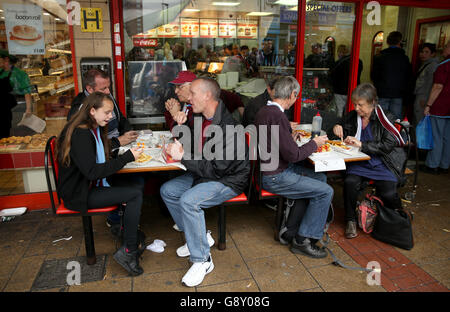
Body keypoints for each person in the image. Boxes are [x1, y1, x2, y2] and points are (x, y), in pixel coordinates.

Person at [160, 77, 250, 287]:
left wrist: (182, 156)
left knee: (189, 201)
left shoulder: (228, 127)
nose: (188, 98)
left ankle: (202, 260)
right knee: (168, 191)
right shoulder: (199, 117)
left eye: (192, 94)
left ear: (207, 95)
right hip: (206, 172)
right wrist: (179, 121)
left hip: (228, 179)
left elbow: (215, 169)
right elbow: (189, 144)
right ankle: (198, 237)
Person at [55, 92, 145, 276]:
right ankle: (129, 251)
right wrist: (127, 157)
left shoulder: (92, 127)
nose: (111, 117)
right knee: (135, 194)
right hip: (79, 193)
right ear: (92, 111)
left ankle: (125, 231)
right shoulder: (81, 133)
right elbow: (92, 171)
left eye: (111, 112)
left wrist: (119, 154)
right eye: (107, 112)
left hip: (89, 185)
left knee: (136, 185)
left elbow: (97, 158)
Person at [255, 76, 333, 258]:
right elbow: (294, 155)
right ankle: (303, 240)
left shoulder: (265, 111)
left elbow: (279, 144)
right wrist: (315, 143)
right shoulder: (278, 115)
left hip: (269, 169)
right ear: (292, 94)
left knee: (320, 178)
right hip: (275, 175)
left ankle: (292, 227)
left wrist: (290, 138)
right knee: (326, 191)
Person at [68, 69, 141, 227]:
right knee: (133, 187)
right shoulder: (82, 128)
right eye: (103, 89)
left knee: (137, 180)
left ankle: (124, 223)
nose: (108, 92)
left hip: (102, 164)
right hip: (83, 189)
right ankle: (119, 224)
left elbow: (121, 119)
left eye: (109, 87)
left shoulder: (104, 105)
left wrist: (126, 135)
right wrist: (120, 149)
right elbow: (92, 169)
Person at [332, 83, 406, 239]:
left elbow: (388, 145)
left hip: (382, 162)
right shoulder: (353, 116)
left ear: (372, 103)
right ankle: (350, 220)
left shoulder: (386, 118)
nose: (357, 108)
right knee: (350, 183)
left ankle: (398, 217)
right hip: (359, 162)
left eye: (361, 105)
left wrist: (362, 145)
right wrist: (337, 127)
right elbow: (342, 128)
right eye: (355, 104)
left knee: (389, 192)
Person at [164, 71, 244, 130]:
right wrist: (172, 115)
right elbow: (191, 141)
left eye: (180, 87)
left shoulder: (223, 125)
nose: (176, 91)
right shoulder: (194, 110)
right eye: (175, 87)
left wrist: (175, 115)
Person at [422, 40, 450, 175]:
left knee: (436, 136)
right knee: (447, 137)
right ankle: (445, 164)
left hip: (441, 106)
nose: (443, 49)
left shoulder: (444, 65)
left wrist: (428, 105)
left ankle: (432, 164)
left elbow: (438, 86)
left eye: (445, 46)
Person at [371, 31, 412, 120]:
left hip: (382, 92)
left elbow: (374, 76)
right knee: (396, 120)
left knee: (381, 119)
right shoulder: (404, 58)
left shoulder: (380, 57)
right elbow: (408, 78)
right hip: (398, 94)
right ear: (400, 42)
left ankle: (381, 134)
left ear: (387, 42)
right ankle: (393, 134)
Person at [0, 50, 33, 138]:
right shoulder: (1, 72)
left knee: (16, 135)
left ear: (6, 60)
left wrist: (28, 109)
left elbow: (27, 91)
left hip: (18, 108)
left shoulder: (20, 74)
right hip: (4, 110)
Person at [330, 44, 363, 117]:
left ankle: (339, 124)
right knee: (351, 110)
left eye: (339, 52)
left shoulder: (338, 63)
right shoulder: (358, 61)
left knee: (339, 110)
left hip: (339, 91)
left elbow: (332, 76)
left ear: (342, 52)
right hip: (353, 90)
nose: (338, 54)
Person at [413, 43, 439, 125]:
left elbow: (430, 83)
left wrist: (425, 99)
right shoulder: (426, 64)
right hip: (420, 96)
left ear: (433, 54)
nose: (423, 54)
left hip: (423, 97)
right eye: (422, 52)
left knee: (420, 121)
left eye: (426, 52)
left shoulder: (432, 66)